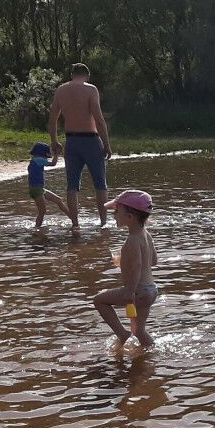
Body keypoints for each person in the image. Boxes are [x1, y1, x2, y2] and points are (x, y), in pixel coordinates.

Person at [48, 63, 112, 230]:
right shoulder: (91, 89)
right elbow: (99, 119)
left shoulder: (61, 90)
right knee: (100, 183)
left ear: (72, 74)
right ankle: (104, 223)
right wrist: (106, 144)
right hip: (91, 140)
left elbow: (52, 119)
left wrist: (54, 141)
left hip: (71, 141)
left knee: (72, 185)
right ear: (87, 76)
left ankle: (75, 223)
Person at [94, 190, 159, 347]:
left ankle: (122, 334)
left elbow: (136, 267)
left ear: (130, 217)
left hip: (137, 290)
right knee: (139, 330)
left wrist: (130, 291)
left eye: (117, 211)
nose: (114, 215)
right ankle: (151, 352)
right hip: (151, 289)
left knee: (99, 300)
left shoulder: (132, 240)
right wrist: (127, 262)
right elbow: (153, 261)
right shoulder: (146, 234)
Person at [26, 142, 71, 229]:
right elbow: (53, 163)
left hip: (39, 189)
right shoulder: (39, 160)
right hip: (37, 189)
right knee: (42, 211)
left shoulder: (34, 160)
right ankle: (37, 228)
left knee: (58, 200)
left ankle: (73, 219)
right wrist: (56, 154)